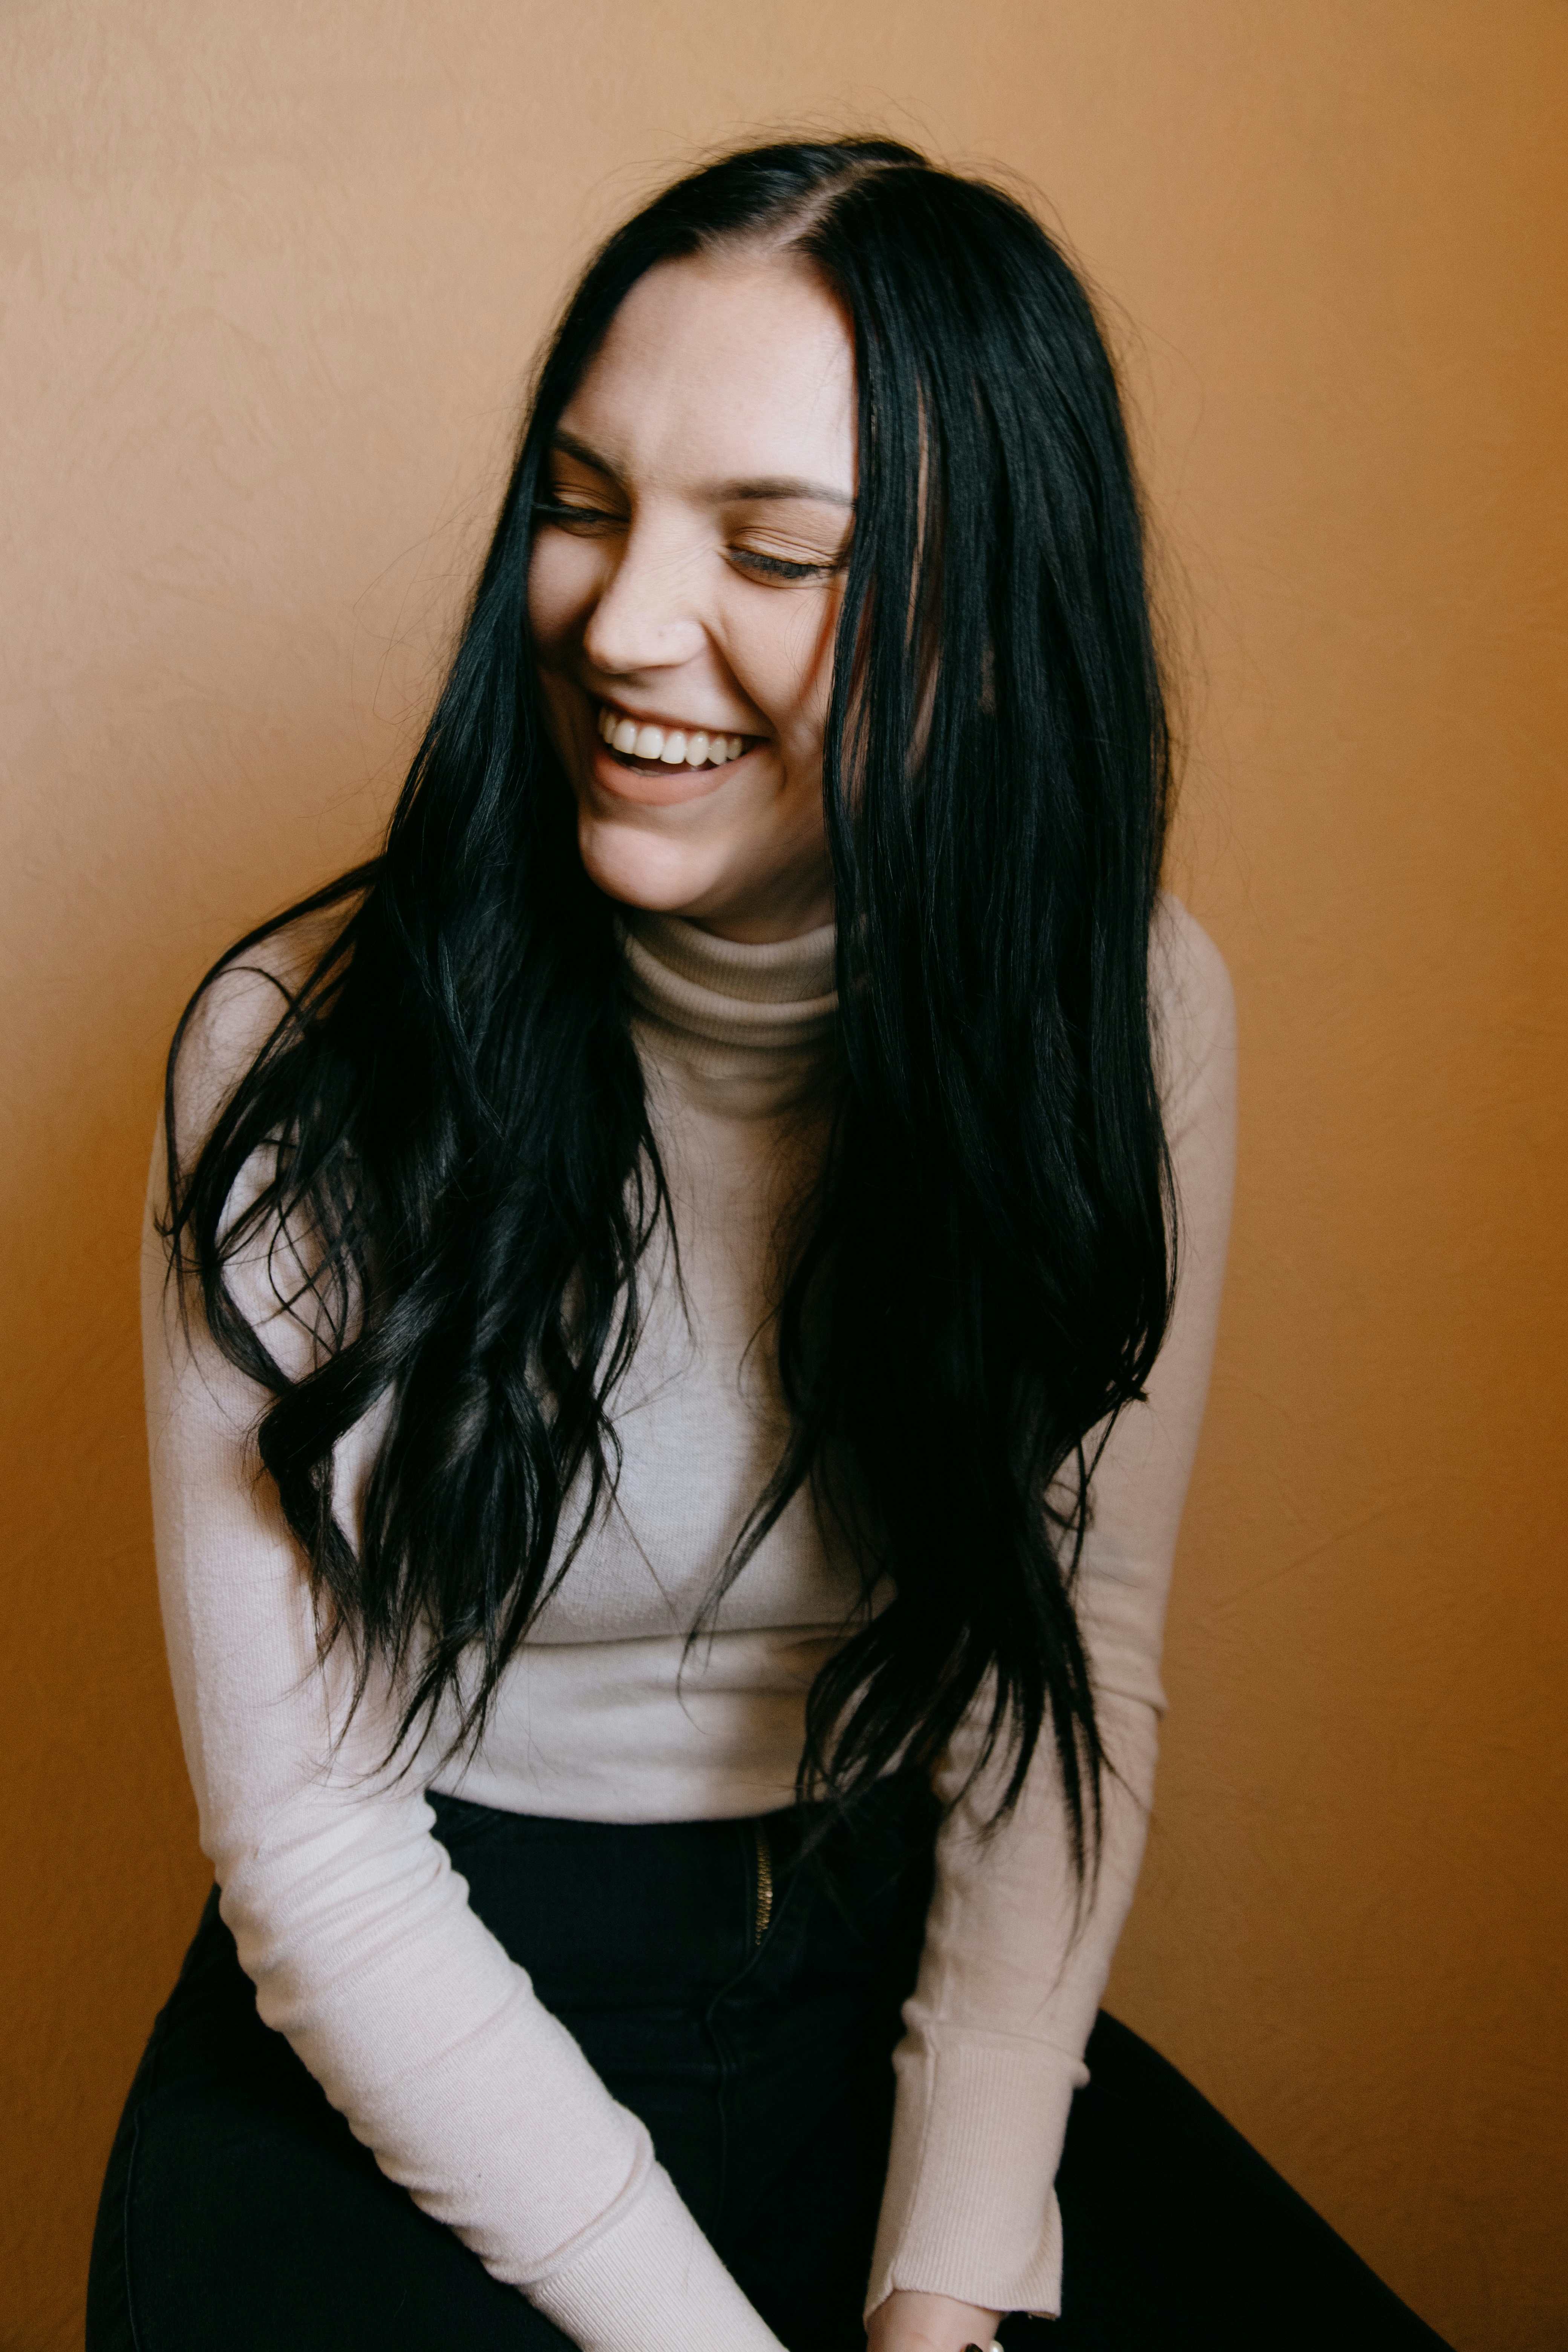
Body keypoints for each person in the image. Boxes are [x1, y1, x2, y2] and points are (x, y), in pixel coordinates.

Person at [87, 139, 1449, 2352]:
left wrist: (950, 2274)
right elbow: (315, 1849)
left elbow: (1066, 1659)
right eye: (585, 498)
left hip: (863, 1994)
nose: (623, 621)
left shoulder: (1129, 1015)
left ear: (993, 624)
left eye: (777, 550)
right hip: (399, 2026)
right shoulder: (300, 1059)